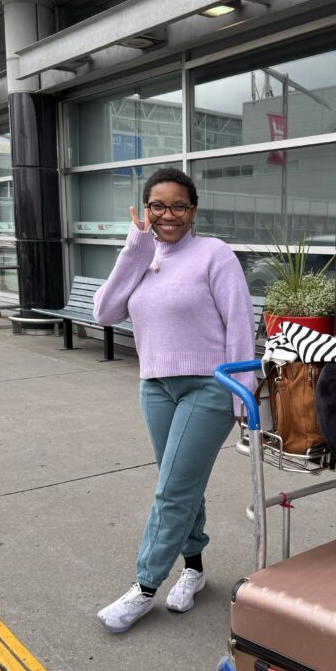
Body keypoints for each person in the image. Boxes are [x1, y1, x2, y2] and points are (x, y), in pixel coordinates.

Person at [94, 167, 256, 633]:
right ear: (144, 210)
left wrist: (242, 400)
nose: (168, 215)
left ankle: (144, 588)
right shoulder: (140, 254)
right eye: (157, 206)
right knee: (182, 483)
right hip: (156, 386)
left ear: (193, 209)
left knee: (172, 490)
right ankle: (195, 569)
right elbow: (105, 311)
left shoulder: (215, 254)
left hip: (209, 386)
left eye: (178, 206)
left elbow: (240, 326)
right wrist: (135, 250)